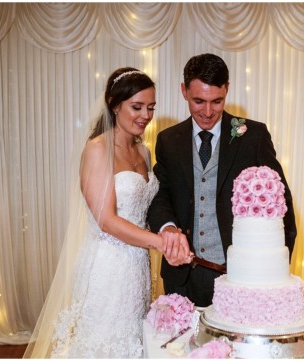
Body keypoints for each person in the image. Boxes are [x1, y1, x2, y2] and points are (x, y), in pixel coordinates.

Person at [24, 67, 193, 358]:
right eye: (136, 107)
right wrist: (159, 242)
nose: (145, 115)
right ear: (115, 104)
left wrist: (170, 233)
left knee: (133, 344)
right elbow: (106, 219)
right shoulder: (98, 149)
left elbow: (149, 205)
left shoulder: (144, 152)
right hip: (108, 266)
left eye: (151, 107)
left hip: (137, 267)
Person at [147, 53, 297, 307]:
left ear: (227, 89)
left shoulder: (253, 136)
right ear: (184, 91)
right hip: (183, 277)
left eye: (217, 101)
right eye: (198, 101)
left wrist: (275, 269)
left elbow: (280, 201)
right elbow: (161, 195)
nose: (207, 112)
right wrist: (168, 228)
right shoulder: (168, 140)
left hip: (240, 277)